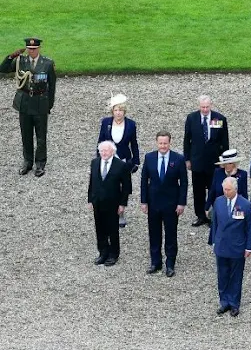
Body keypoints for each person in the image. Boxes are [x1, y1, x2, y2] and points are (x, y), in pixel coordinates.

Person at [0, 38, 56, 177]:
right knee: (26, 135)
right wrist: (11, 56)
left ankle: (40, 164)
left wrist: (49, 104)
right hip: (24, 103)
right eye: (29, 49)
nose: (32, 51)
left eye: (34, 48)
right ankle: (27, 162)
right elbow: (3, 69)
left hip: (40, 103)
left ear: (39, 48)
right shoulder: (21, 61)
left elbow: (52, 86)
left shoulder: (47, 63)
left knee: (41, 136)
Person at [140, 131, 188, 277]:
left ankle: (170, 264)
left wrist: (181, 203)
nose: (163, 146)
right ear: (156, 143)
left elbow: (184, 183)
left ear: (170, 143)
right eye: (160, 143)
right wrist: (143, 201)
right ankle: (156, 262)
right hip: (153, 203)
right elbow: (144, 180)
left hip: (171, 204)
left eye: (165, 143)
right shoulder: (149, 158)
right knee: (154, 234)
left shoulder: (178, 159)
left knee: (171, 234)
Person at [208, 177, 251, 317]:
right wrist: (214, 241)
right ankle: (224, 302)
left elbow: (250, 228)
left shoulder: (245, 205)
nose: (226, 192)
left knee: (236, 276)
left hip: (237, 246)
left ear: (235, 189)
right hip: (222, 245)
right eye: (224, 189)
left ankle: (234, 303)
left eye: (228, 189)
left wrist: (249, 247)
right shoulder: (218, 202)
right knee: (222, 275)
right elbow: (215, 223)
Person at [183, 95, 229, 227]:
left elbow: (224, 141)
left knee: (214, 189)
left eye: (207, 107)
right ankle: (201, 215)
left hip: (214, 162)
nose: (204, 109)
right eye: (202, 107)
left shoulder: (219, 119)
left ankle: (213, 216)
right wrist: (187, 159)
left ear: (211, 105)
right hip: (197, 161)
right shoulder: (192, 118)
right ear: (199, 106)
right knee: (198, 191)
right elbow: (187, 140)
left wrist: (224, 161)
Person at [97, 93, 140, 228]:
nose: (118, 113)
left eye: (120, 110)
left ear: (124, 111)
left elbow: (134, 143)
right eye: (116, 110)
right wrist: (98, 157)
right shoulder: (106, 123)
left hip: (123, 160)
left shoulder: (131, 125)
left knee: (123, 187)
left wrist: (136, 160)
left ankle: (120, 212)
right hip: (108, 158)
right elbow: (101, 140)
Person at [87, 141, 132, 267]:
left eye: (106, 150)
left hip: (113, 202)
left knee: (112, 229)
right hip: (98, 202)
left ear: (112, 151)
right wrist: (90, 199)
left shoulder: (121, 165)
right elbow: (92, 182)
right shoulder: (95, 163)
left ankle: (113, 254)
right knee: (100, 228)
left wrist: (123, 204)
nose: (104, 153)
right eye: (101, 151)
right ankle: (103, 252)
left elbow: (126, 187)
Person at [205, 149, 248, 216]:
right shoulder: (218, 172)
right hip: (219, 207)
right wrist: (207, 208)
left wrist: (232, 176)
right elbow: (212, 191)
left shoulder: (242, 174)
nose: (227, 165)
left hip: (236, 208)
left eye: (230, 163)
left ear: (235, 164)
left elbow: (243, 194)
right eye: (225, 163)